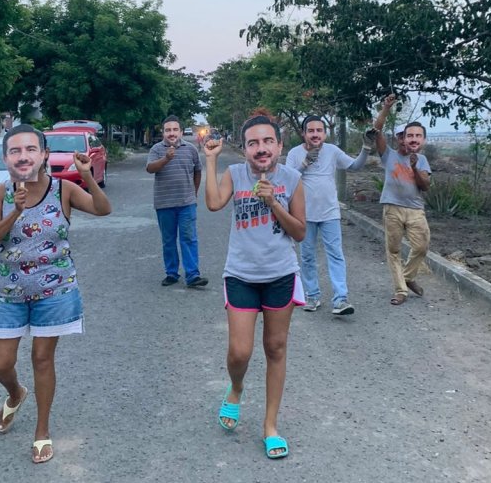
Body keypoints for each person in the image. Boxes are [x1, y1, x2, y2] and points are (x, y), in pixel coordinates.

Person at [0, 125, 111, 465]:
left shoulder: (63, 189)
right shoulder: (0, 193)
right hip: (8, 292)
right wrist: (15, 211)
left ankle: (42, 430)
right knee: (1, 363)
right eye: (15, 151)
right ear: (6, 158)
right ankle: (15, 393)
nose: (23, 156)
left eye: (30, 149)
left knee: (42, 358)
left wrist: (88, 176)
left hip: (55, 290)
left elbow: (103, 209)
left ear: (44, 155)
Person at [203, 111, 306, 460]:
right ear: (244, 148)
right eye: (253, 143)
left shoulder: (292, 179)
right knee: (240, 352)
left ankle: (270, 426)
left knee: (275, 348)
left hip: (280, 274)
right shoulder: (235, 174)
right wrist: (210, 160)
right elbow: (214, 203)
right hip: (241, 275)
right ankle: (236, 388)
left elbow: (300, 232)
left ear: (279, 145)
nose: (261, 149)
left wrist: (274, 202)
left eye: (267, 142)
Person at [285, 116, 371, 316]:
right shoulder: (295, 153)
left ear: (324, 133)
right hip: (304, 215)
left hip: (330, 213)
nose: (315, 134)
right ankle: (312, 295)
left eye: (319, 130)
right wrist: (305, 163)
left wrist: (366, 148)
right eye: (311, 130)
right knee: (307, 256)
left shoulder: (332, 151)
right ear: (304, 133)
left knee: (335, 254)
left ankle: (340, 299)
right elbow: (287, 180)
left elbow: (355, 166)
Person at [373, 95, 432, 306]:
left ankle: (407, 277)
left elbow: (425, 186)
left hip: (415, 210)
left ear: (421, 140)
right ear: (400, 139)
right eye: (404, 136)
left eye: (416, 136)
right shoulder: (388, 155)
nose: (408, 140)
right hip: (392, 208)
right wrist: (386, 108)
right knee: (394, 250)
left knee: (421, 247)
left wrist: (414, 167)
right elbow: (376, 130)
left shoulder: (422, 159)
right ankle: (400, 290)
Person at [146, 115, 208, 288]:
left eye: (175, 130)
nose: (171, 133)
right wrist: (166, 158)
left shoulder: (190, 149)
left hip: (186, 203)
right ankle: (171, 273)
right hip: (164, 204)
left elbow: (198, 171)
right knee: (168, 240)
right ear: (163, 132)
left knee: (189, 238)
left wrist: (193, 193)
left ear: (181, 132)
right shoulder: (156, 149)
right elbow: (150, 168)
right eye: (168, 130)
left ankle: (193, 275)